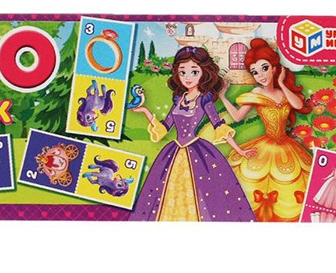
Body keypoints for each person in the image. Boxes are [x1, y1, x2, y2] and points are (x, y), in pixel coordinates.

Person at [129, 46, 255, 222]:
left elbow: (219, 126)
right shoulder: (178, 99)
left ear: (204, 73)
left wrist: (239, 150)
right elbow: (165, 126)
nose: (188, 77)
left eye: (194, 72)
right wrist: (145, 111)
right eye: (183, 72)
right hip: (174, 151)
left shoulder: (204, 99)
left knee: (203, 192)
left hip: (197, 151)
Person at [219, 39, 312, 222]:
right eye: (255, 72)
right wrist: (222, 96)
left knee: (293, 178)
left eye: (264, 68)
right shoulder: (257, 93)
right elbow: (237, 117)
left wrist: (282, 84)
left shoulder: (282, 92)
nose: (260, 75)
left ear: (274, 69)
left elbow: (298, 105)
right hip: (265, 144)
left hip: (286, 145)